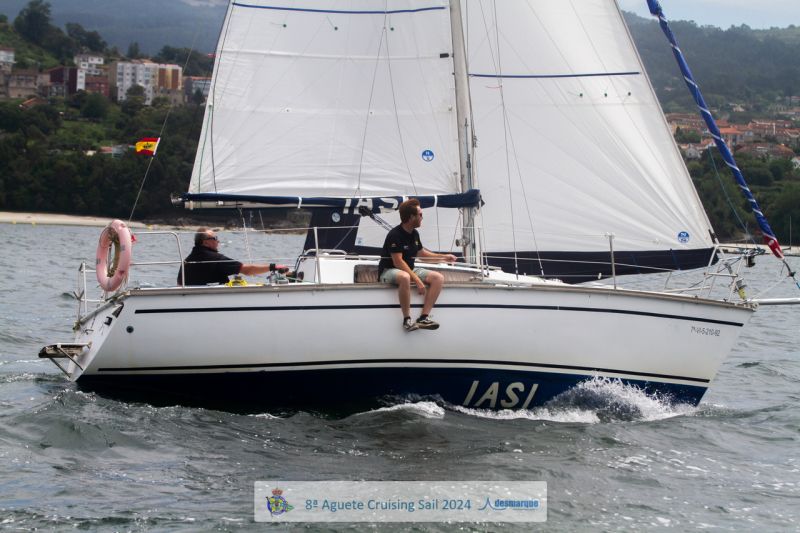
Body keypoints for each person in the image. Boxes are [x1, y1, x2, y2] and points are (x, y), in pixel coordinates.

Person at [378, 199, 457, 331]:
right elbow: (398, 262)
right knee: (405, 277)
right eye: (420, 214)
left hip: (409, 269)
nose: (422, 217)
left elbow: (422, 254)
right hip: (389, 270)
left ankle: (423, 318)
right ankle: (407, 320)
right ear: (411, 217)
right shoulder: (394, 235)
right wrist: (417, 281)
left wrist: (444, 257)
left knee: (438, 278)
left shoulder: (414, 234)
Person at [177, 227, 287, 286]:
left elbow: (179, 284)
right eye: (215, 238)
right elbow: (247, 270)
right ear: (205, 242)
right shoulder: (216, 259)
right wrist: (273, 267)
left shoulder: (187, 261)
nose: (218, 241)